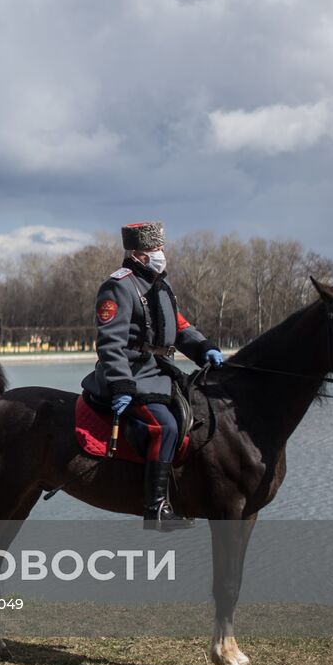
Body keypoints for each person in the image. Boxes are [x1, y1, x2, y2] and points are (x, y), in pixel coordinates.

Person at [81, 221, 224, 531]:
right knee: (164, 426)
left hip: (159, 370)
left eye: (161, 248)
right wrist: (121, 385)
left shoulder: (160, 284)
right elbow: (110, 343)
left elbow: (181, 328)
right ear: (138, 254)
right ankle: (156, 508)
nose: (162, 254)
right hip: (130, 372)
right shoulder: (118, 286)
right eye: (156, 249)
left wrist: (205, 348)